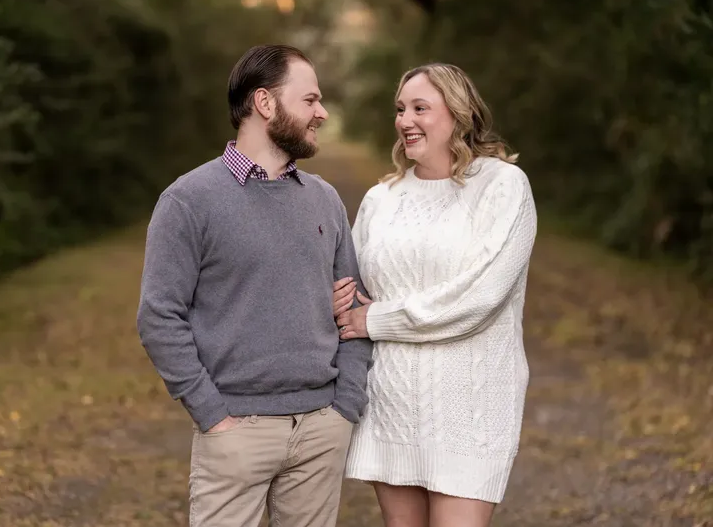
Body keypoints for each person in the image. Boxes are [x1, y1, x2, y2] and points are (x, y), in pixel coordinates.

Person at [137, 45, 373, 527]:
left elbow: (356, 309)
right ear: (265, 103)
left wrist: (344, 407)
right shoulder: (189, 201)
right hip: (234, 431)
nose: (322, 113)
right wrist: (213, 416)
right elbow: (159, 317)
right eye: (310, 100)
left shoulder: (325, 200)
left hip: (320, 429)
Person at [333, 63, 537, 527]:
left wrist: (377, 319)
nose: (405, 120)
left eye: (420, 108)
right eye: (400, 109)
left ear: (458, 114)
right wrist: (340, 306)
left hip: (471, 409)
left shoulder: (503, 186)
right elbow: (349, 292)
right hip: (391, 406)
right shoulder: (380, 200)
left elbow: (480, 299)